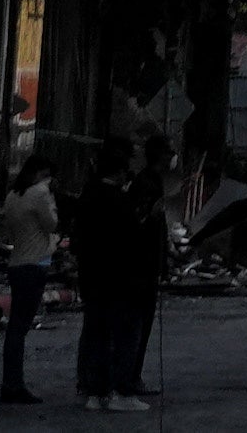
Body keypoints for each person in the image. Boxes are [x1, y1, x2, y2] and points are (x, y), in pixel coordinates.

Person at [63, 142, 169, 414]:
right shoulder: (118, 201)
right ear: (121, 172)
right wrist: (149, 219)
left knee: (97, 335)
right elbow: (131, 238)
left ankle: (96, 391)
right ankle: (121, 389)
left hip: (93, 277)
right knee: (124, 336)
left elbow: (79, 239)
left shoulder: (88, 197)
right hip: (121, 280)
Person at [0, 154, 64, 405]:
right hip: (35, 263)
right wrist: (50, 195)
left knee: (15, 327)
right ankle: (13, 384)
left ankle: (11, 381)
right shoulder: (40, 194)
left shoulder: (13, 195)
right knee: (20, 327)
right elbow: (52, 224)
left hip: (18, 261)